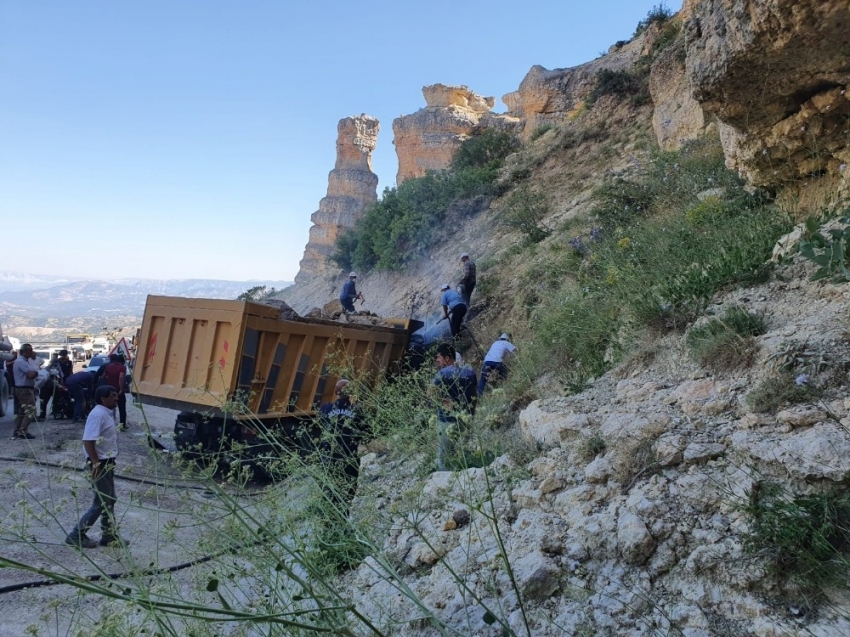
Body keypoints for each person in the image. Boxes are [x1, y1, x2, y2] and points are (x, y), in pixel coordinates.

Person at [65, 385, 129, 549]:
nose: (116, 398)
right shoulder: (98, 415)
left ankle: (108, 536)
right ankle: (76, 534)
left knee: (110, 500)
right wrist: (95, 462)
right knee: (101, 502)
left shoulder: (106, 413)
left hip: (107, 462)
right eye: (113, 396)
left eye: (116, 395)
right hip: (99, 463)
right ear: (103, 398)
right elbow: (88, 440)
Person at [316, 379, 366, 516]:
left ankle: (328, 524)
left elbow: (320, 425)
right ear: (351, 394)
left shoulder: (325, 408)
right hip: (348, 460)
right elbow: (366, 433)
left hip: (328, 459)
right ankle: (342, 521)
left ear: (336, 392)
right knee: (347, 494)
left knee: (328, 493)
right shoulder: (357, 411)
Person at [432, 343, 477, 471]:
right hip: (464, 420)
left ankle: (447, 481)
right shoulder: (469, 372)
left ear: (447, 358)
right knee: (464, 454)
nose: (437, 360)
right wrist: (471, 415)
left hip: (446, 421)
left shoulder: (443, 373)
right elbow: (474, 396)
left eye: (439, 357)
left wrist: (442, 401)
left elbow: (430, 392)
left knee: (444, 458)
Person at [12, 344, 39, 439]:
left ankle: (17, 430)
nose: (32, 352)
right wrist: (37, 373)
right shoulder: (21, 362)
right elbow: (31, 375)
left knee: (21, 411)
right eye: (30, 350)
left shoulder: (22, 361)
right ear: (25, 351)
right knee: (30, 410)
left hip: (21, 388)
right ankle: (23, 431)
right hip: (24, 389)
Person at [97, 354, 128, 428]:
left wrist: (108, 383)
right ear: (123, 361)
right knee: (122, 408)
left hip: (109, 390)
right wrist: (121, 389)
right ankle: (122, 425)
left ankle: (109, 423)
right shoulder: (122, 367)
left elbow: (103, 377)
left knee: (109, 407)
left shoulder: (109, 366)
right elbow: (121, 378)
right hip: (117, 390)